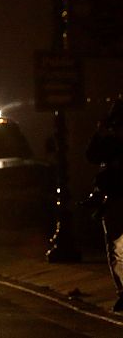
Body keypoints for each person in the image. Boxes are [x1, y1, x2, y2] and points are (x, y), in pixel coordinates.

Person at [85, 99, 123, 312]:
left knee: (116, 248)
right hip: (115, 198)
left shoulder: (110, 144)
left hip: (115, 199)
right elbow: (91, 155)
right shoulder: (110, 145)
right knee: (117, 248)